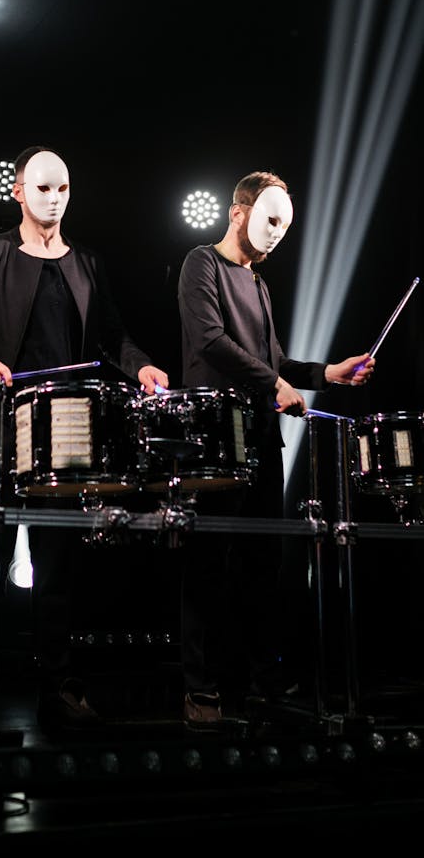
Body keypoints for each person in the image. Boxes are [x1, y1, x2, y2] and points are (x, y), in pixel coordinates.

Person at [0, 145, 169, 731]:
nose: (54, 199)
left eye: (63, 189)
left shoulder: (87, 264)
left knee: (60, 564)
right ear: (20, 192)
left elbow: (113, 338)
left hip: (65, 428)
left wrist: (142, 366)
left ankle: (59, 684)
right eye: (43, 188)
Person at [176, 169, 375, 729]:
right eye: (269, 219)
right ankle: (200, 687)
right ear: (238, 211)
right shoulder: (202, 264)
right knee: (208, 562)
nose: (276, 233)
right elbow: (212, 341)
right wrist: (273, 384)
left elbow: (275, 361)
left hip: (261, 438)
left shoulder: (259, 286)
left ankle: (258, 682)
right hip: (214, 435)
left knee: (264, 562)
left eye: (285, 227)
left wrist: (328, 373)